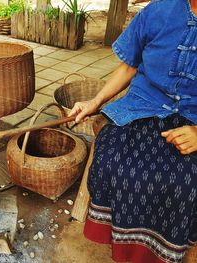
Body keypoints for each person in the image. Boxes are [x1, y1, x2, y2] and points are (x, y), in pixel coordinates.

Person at [69, 0, 197, 262]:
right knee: (110, 159)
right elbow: (129, 66)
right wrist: (95, 101)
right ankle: (126, 246)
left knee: (185, 181)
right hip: (142, 105)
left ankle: (163, 252)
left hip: (191, 118)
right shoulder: (159, 10)